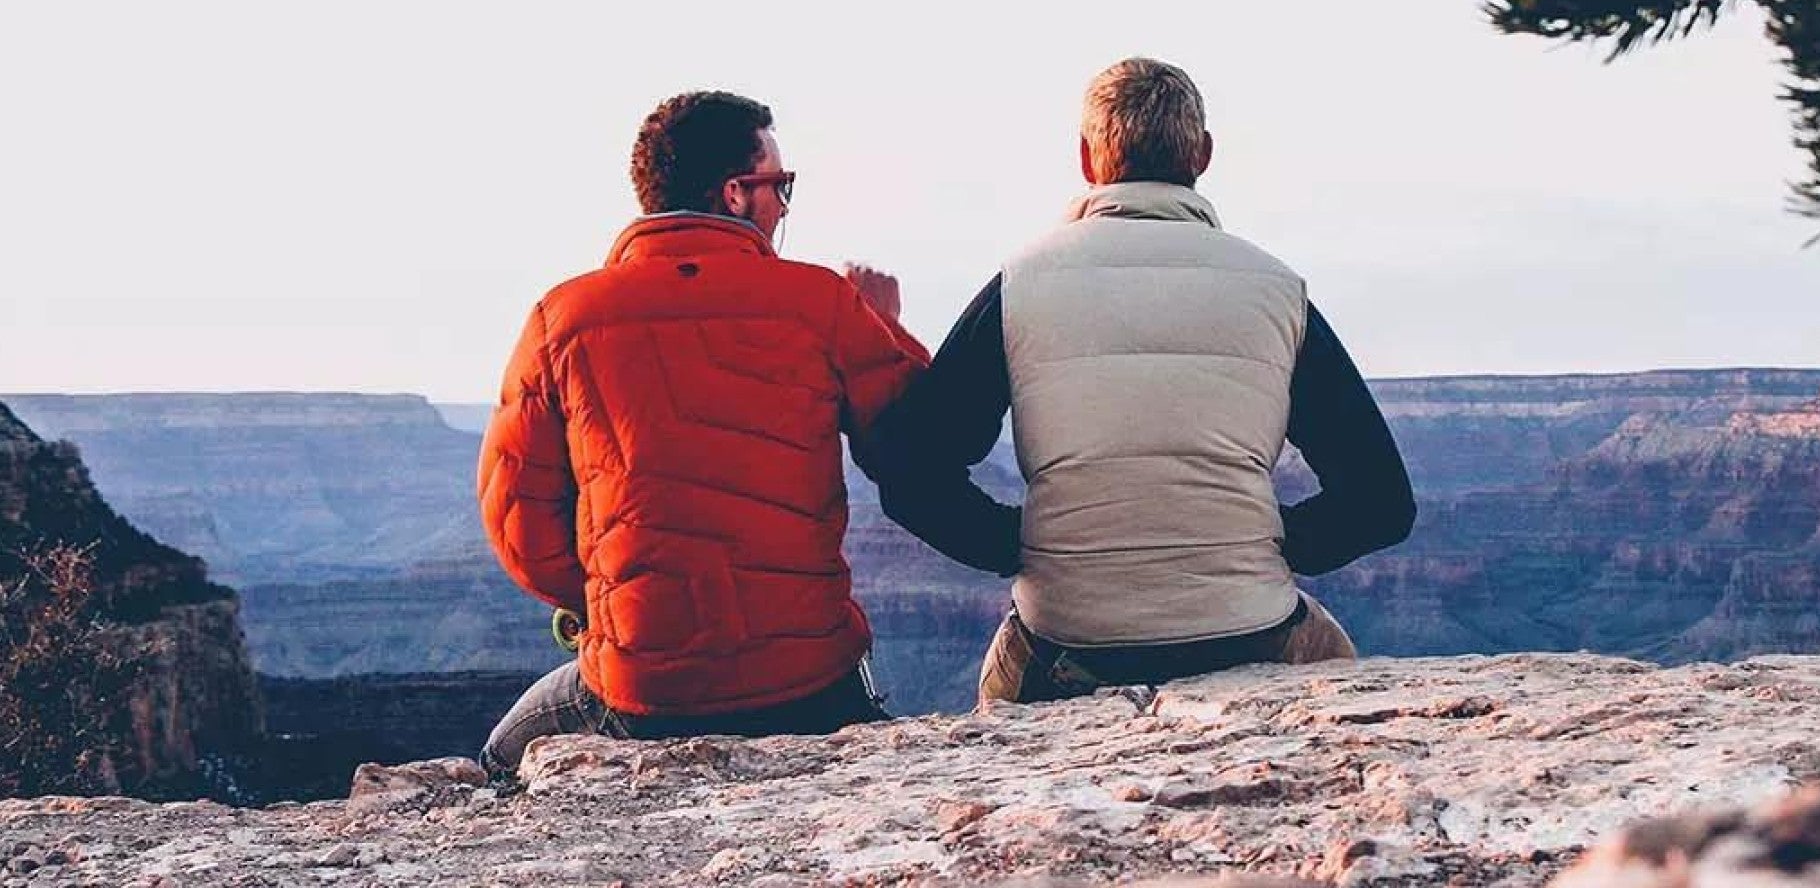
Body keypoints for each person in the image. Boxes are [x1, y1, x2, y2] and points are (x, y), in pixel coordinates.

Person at [864, 58, 1416, 705]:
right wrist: (1266, 541)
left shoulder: (1022, 285)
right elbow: (1382, 501)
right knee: (1336, 678)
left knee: (1000, 688)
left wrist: (1020, 545)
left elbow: (912, 477)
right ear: (1203, 155)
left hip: (1069, 638)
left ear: (1085, 157)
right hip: (1249, 629)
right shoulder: (1276, 289)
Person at [478, 91, 928, 776]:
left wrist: (613, 597)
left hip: (643, 693)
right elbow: (919, 448)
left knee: (501, 759)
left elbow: (515, 520)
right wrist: (885, 324)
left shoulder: (563, 318)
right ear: (737, 194)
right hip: (810, 684)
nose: (783, 204)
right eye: (781, 185)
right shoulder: (821, 303)